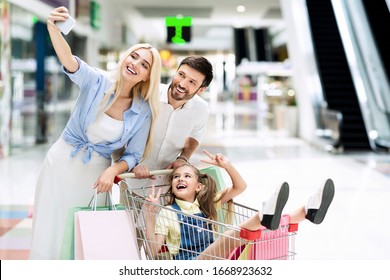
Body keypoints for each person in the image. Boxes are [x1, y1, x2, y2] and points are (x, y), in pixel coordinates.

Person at [29, 6, 162, 260]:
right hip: (60, 163)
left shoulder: (143, 111)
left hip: (96, 176)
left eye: (144, 64)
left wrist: (113, 169)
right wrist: (52, 29)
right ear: (125, 57)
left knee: (85, 233)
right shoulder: (96, 80)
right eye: (134, 56)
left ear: (147, 76)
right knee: (51, 226)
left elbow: (133, 154)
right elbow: (69, 60)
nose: (135, 64)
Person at [144, 150, 335, 260]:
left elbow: (239, 187)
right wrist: (150, 216)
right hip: (192, 266)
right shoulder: (168, 213)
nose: (180, 179)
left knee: (257, 236)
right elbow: (153, 251)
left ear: (198, 186)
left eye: (187, 176)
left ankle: (307, 211)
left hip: (217, 259)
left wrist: (227, 166)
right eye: (176, 177)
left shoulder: (207, 204)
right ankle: (263, 216)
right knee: (232, 234)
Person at [124, 56, 213, 181]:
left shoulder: (201, 109)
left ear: (201, 89)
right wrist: (127, 164)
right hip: (132, 178)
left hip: (168, 182)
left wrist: (184, 158)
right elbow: (121, 130)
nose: (182, 84)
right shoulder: (147, 94)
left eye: (192, 82)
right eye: (181, 75)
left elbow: (196, 134)